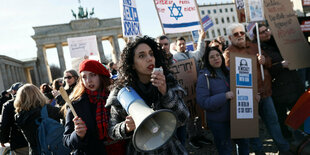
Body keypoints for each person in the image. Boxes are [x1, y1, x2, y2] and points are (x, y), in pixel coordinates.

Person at [105, 36, 190, 154]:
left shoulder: (167, 81)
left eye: (151, 54)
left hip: (169, 149)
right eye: (141, 56)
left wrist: (166, 93)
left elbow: (184, 117)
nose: (149, 59)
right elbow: (112, 131)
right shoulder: (122, 92)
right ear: (132, 64)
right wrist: (126, 127)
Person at [223, 23, 290, 154]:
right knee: (252, 129)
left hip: (265, 92)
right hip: (247, 97)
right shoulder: (228, 53)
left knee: (273, 122)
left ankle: (284, 149)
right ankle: (260, 152)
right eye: (236, 34)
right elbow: (233, 73)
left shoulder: (255, 46)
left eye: (242, 33)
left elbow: (269, 62)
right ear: (230, 38)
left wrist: (264, 60)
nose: (240, 36)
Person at [253, 24, 304, 141]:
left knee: (301, 116)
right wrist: (281, 65)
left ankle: (304, 140)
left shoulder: (280, 42)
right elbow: (263, 71)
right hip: (278, 91)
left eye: (266, 30)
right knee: (283, 120)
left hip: (294, 84)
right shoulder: (258, 50)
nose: (266, 33)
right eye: (262, 32)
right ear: (256, 36)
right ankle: (291, 144)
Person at [63, 59, 125, 154]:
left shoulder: (118, 96)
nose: (88, 81)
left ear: (101, 75)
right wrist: (78, 135)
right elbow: (66, 140)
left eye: (93, 75)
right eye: (84, 77)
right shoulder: (75, 104)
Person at [196, 47, 249, 154]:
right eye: (212, 57)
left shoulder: (230, 71)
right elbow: (203, 102)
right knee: (226, 149)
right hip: (218, 122)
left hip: (237, 117)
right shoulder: (204, 77)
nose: (216, 58)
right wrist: (224, 96)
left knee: (244, 144)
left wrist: (252, 96)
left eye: (217, 55)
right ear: (207, 60)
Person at [173, 30, 212, 148]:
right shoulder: (174, 58)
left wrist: (201, 38)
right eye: (179, 44)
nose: (182, 46)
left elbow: (200, 52)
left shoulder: (191, 54)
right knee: (189, 115)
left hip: (196, 88)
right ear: (175, 46)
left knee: (199, 112)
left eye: (183, 44)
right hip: (184, 92)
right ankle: (192, 137)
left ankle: (200, 134)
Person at [14, 84, 63, 154]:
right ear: (38, 94)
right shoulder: (48, 110)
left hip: (35, 151)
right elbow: (65, 113)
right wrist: (59, 97)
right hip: (52, 150)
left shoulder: (18, 116)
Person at [0, 82, 29, 154]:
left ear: (14, 91)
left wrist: (3, 139)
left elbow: (5, 124)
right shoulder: (34, 102)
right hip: (38, 139)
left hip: (19, 141)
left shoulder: (8, 105)